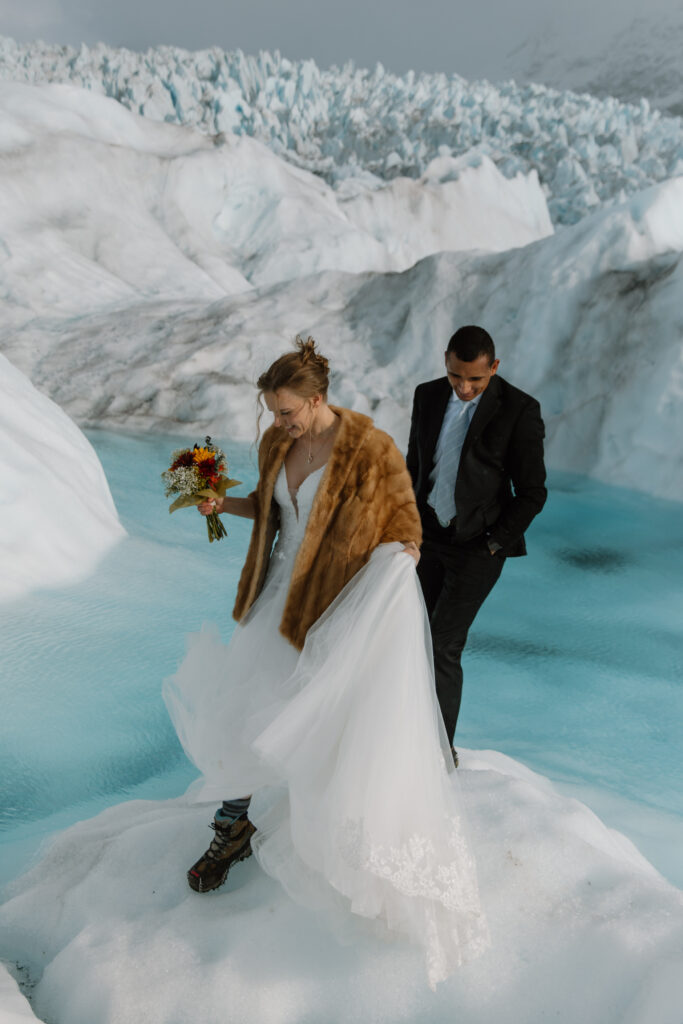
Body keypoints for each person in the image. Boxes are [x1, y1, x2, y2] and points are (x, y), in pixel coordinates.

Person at [164, 337, 488, 986]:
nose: (276, 424)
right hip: (275, 595)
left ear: (316, 400)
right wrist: (218, 503)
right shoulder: (274, 445)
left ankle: (322, 828)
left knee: (313, 716)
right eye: (270, 414)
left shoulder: (368, 448)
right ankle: (232, 826)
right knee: (242, 709)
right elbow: (270, 510)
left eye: (285, 413)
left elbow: (405, 523)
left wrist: (398, 564)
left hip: (332, 600)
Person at [407, 325, 547, 751]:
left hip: (477, 546)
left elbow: (533, 492)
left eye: (476, 379)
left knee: (443, 645)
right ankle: (406, 742)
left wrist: (492, 542)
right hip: (426, 536)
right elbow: (415, 464)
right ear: (446, 361)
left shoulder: (519, 409)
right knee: (411, 638)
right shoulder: (427, 395)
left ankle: (440, 753)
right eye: (456, 376)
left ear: (494, 368)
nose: (464, 388)